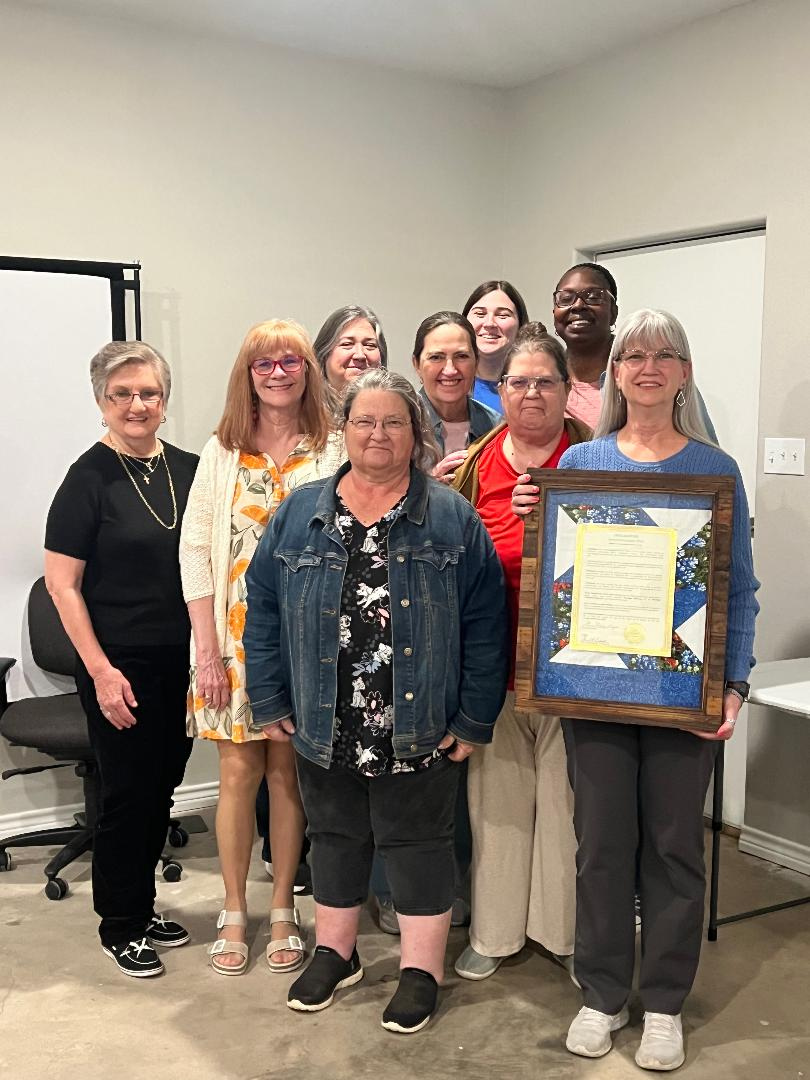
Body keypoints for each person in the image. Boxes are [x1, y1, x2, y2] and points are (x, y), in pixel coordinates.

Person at [516, 310, 758, 1071]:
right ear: (615, 373)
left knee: (677, 848)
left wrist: (734, 684)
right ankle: (602, 992)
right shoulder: (581, 460)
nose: (648, 366)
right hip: (594, 688)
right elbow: (557, 579)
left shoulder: (716, 470)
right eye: (634, 355)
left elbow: (740, 589)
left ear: (685, 373)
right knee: (602, 848)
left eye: (665, 355)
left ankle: (663, 1004)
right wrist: (533, 517)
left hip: (684, 690)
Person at [243, 369, 508, 1034]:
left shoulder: (451, 517)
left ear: (416, 433)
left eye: (394, 422)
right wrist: (269, 694)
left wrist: (475, 717)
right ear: (344, 429)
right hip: (321, 718)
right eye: (365, 421)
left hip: (419, 722)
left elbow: (486, 623)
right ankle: (335, 953)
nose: (378, 434)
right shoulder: (300, 513)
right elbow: (265, 610)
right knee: (333, 837)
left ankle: (421, 970)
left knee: (420, 845)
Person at [179, 319, 341, 975]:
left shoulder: (332, 450)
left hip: (306, 646)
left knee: (287, 778)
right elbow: (195, 554)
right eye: (263, 363)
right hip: (234, 643)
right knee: (238, 777)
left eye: (290, 360)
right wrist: (207, 653)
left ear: (308, 370)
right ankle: (232, 909)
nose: (277, 372)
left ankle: (282, 908)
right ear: (247, 375)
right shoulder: (222, 452)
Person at [44, 341, 198, 978]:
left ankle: (142, 901)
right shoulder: (87, 479)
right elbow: (62, 584)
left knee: (161, 789)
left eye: (149, 394)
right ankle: (121, 922)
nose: (137, 405)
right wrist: (102, 671)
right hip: (119, 663)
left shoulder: (189, 469)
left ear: (164, 400)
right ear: (102, 402)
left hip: (185, 662)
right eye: (122, 394)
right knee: (127, 794)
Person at [450, 324, 589, 983]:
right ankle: (496, 932)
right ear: (498, 391)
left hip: (576, 667)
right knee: (497, 803)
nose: (531, 393)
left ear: (568, 391)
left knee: (565, 805)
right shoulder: (472, 467)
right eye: (517, 381)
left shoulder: (596, 459)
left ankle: (562, 933)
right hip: (494, 664)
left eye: (545, 381)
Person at [553, 262, 718, 441]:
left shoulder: (655, 376)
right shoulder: (543, 380)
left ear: (614, 311)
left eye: (593, 297)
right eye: (566, 298)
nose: (577, 305)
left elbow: (705, 455)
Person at [413, 310, 501, 467]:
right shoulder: (396, 424)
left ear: (476, 362)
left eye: (461, 356)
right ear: (417, 365)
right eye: (436, 357)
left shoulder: (496, 428)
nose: (450, 370)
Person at [462, 280, 531, 414]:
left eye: (502, 315)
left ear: (521, 326)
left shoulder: (535, 389)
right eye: (480, 314)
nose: (489, 323)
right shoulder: (449, 385)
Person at [313, 304, 388, 412]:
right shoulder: (305, 417)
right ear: (324, 355)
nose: (360, 355)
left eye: (370, 345)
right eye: (347, 344)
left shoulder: (397, 411)